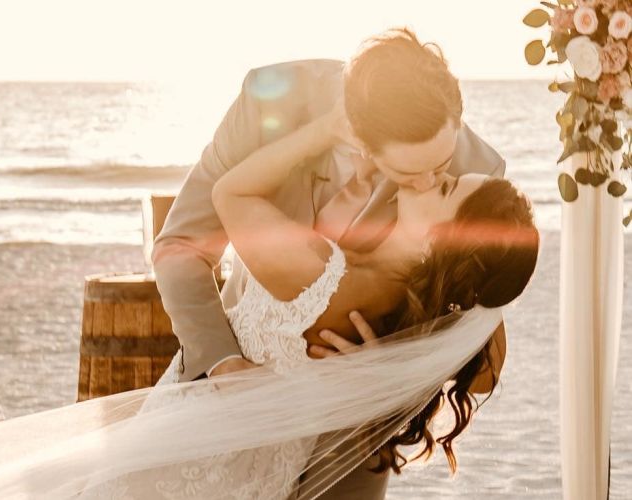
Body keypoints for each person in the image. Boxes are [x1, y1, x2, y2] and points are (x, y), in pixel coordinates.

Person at [151, 27, 516, 498]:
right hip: (232, 400)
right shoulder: (270, 101)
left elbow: (482, 355)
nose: (429, 180)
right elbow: (181, 245)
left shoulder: (476, 175)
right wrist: (223, 364)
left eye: (441, 167)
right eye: (409, 172)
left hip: (354, 442)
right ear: (361, 137)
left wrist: (394, 374)